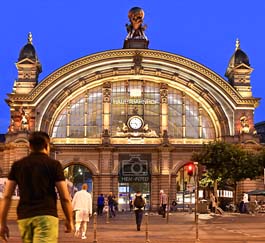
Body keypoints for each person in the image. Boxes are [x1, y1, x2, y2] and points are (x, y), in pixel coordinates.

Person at [0, 131, 74, 243]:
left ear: (30, 146)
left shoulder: (18, 165)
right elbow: (64, 197)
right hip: (46, 216)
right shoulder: (54, 165)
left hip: (24, 217)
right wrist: (69, 219)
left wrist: (2, 222)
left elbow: (6, 196)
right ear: (47, 146)